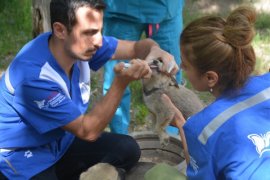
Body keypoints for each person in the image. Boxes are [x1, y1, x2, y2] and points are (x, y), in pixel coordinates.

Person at [0, 0, 179, 179]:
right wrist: (120, 83)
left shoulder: (76, 45)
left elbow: (135, 47)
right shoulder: (33, 76)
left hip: (59, 142)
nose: (99, 41)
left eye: (100, 30)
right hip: (22, 156)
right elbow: (88, 131)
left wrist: (154, 50)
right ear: (60, 30)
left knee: (128, 149)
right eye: (90, 33)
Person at [163, 5, 270, 179]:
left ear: (211, 78)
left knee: (159, 173)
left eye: (186, 64)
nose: (181, 67)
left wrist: (182, 126)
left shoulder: (202, 129)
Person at [102, 0, 185, 134]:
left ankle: (171, 141)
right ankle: (119, 138)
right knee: (117, 75)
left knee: (171, 74)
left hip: (168, 8)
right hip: (122, 10)